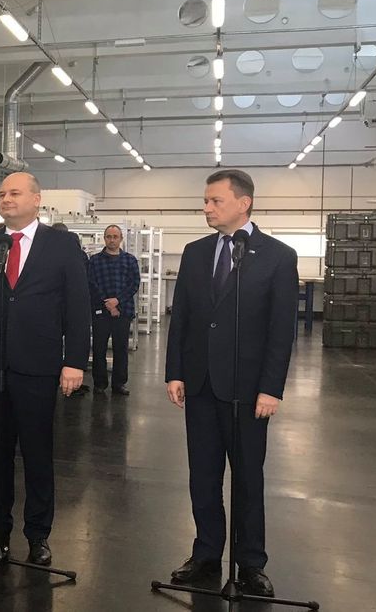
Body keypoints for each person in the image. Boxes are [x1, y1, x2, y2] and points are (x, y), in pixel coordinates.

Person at [164, 170, 297, 597]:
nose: (206, 208)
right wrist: (175, 371)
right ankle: (205, 553)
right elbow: (182, 317)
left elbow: (282, 330)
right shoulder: (195, 252)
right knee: (202, 476)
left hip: (248, 391)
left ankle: (251, 562)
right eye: (205, 201)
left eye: (215, 200)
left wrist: (271, 388)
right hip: (201, 385)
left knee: (247, 479)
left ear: (244, 203)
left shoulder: (278, 257)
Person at [0, 172, 90, 567]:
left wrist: (75, 361)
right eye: (2, 193)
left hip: (38, 367)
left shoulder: (61, 245)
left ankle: (38, 534)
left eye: (14, 193)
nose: (6, 199)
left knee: (37, 454)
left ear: (36, 199)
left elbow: (78, 306)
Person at [87, 225, 140, 396]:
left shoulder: (130, 260)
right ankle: (100, 383)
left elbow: (134, 284)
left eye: (115, 237)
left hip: (123, 311)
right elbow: (92, 284)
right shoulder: (94, 261)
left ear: (121, 239)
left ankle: (119, 383)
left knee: (121, 349)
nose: (112, 240)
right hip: (100, 311)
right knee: (99, 348)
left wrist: (117, 302)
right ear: (104, 238)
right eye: (109, 236)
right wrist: (108, 304)